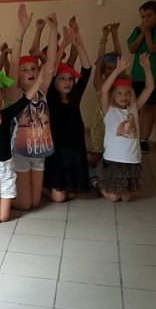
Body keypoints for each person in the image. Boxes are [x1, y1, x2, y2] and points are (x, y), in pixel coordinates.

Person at [0, 58, 51, 224]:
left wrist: (40, 81)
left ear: (3, 96)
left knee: (4, 217)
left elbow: (25, 100)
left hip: (7, 168)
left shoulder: (6, 115)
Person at [9, 5, 59, 211]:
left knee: (36, 203)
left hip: (39, 153)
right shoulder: (14, 94)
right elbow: (13, 64)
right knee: (25, 204)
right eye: (25, 70)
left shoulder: (41, 91)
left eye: (33, 68)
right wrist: (21, 32)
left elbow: (50, 64)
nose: (30, 72)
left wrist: (53, 29)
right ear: (18, 75)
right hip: (20, 153)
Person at [43, 20, 93, 202]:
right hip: (57, 151)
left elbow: (87, 69)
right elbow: (51, 71)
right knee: (59, 198)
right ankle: (41, 187)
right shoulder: (51, 97)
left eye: (70, 79)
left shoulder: (75, 96)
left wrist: (78, 41)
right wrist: (63, 44)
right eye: (63, 78)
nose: (67, 82)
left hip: (75, 148)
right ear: (55, 82)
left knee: (73, 193)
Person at [99, 53, 155, 201]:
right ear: (113, 94)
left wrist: (147, 68)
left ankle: (118, 189)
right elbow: (104, 90)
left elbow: (150, 88)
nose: (124, 97)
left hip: (131, 159)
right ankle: (97, 182)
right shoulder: (109, 110)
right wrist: (117, 70)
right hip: (114, 160)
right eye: (119, 93)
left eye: (127, 93)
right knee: (113, 197)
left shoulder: (134, 108)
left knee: (127, 197)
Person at [127, 0, 156, 153]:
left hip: (153, 76)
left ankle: (144, 139)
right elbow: (132, 48)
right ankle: (132, 136)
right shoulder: (137, 31)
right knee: (134, 106)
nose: (145, 20)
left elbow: (152, 47)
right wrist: (142, 32)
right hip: (137, 75)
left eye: (149, 16)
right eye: (142, 17)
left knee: (149, 107)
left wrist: (148, 32)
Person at [88, 22, 121, 186]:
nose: (112, 70)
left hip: (117, 124)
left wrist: (115, 34)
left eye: (115, 68)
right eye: (108, 68)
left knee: (112, 154)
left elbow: (120, 57)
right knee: (98, 156)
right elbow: (100, 61)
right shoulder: (100, 84)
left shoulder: (122, 84)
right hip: (101, 124)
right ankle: (89, 171)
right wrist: (104, 37)